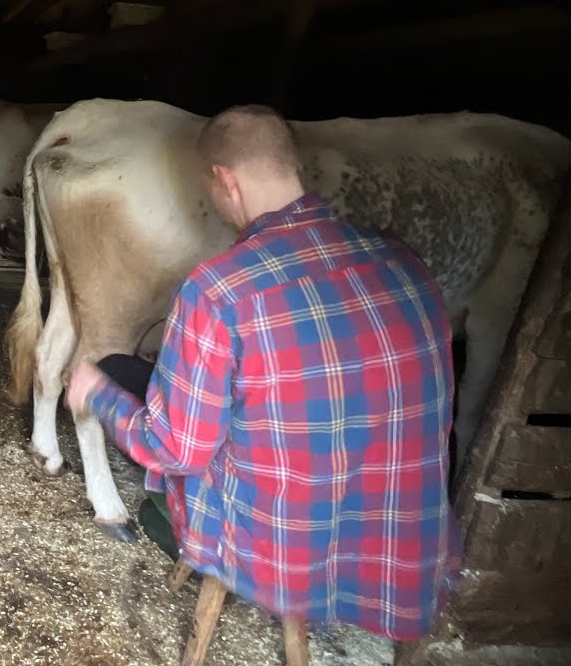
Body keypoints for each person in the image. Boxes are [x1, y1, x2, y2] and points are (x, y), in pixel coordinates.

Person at [64, 105, 463, 641]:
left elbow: (175, 449)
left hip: (278, 546)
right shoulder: (403, 262)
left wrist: (98, 394)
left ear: (225, 181)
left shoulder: (217, 291)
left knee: (118, 373)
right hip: (396, 546)